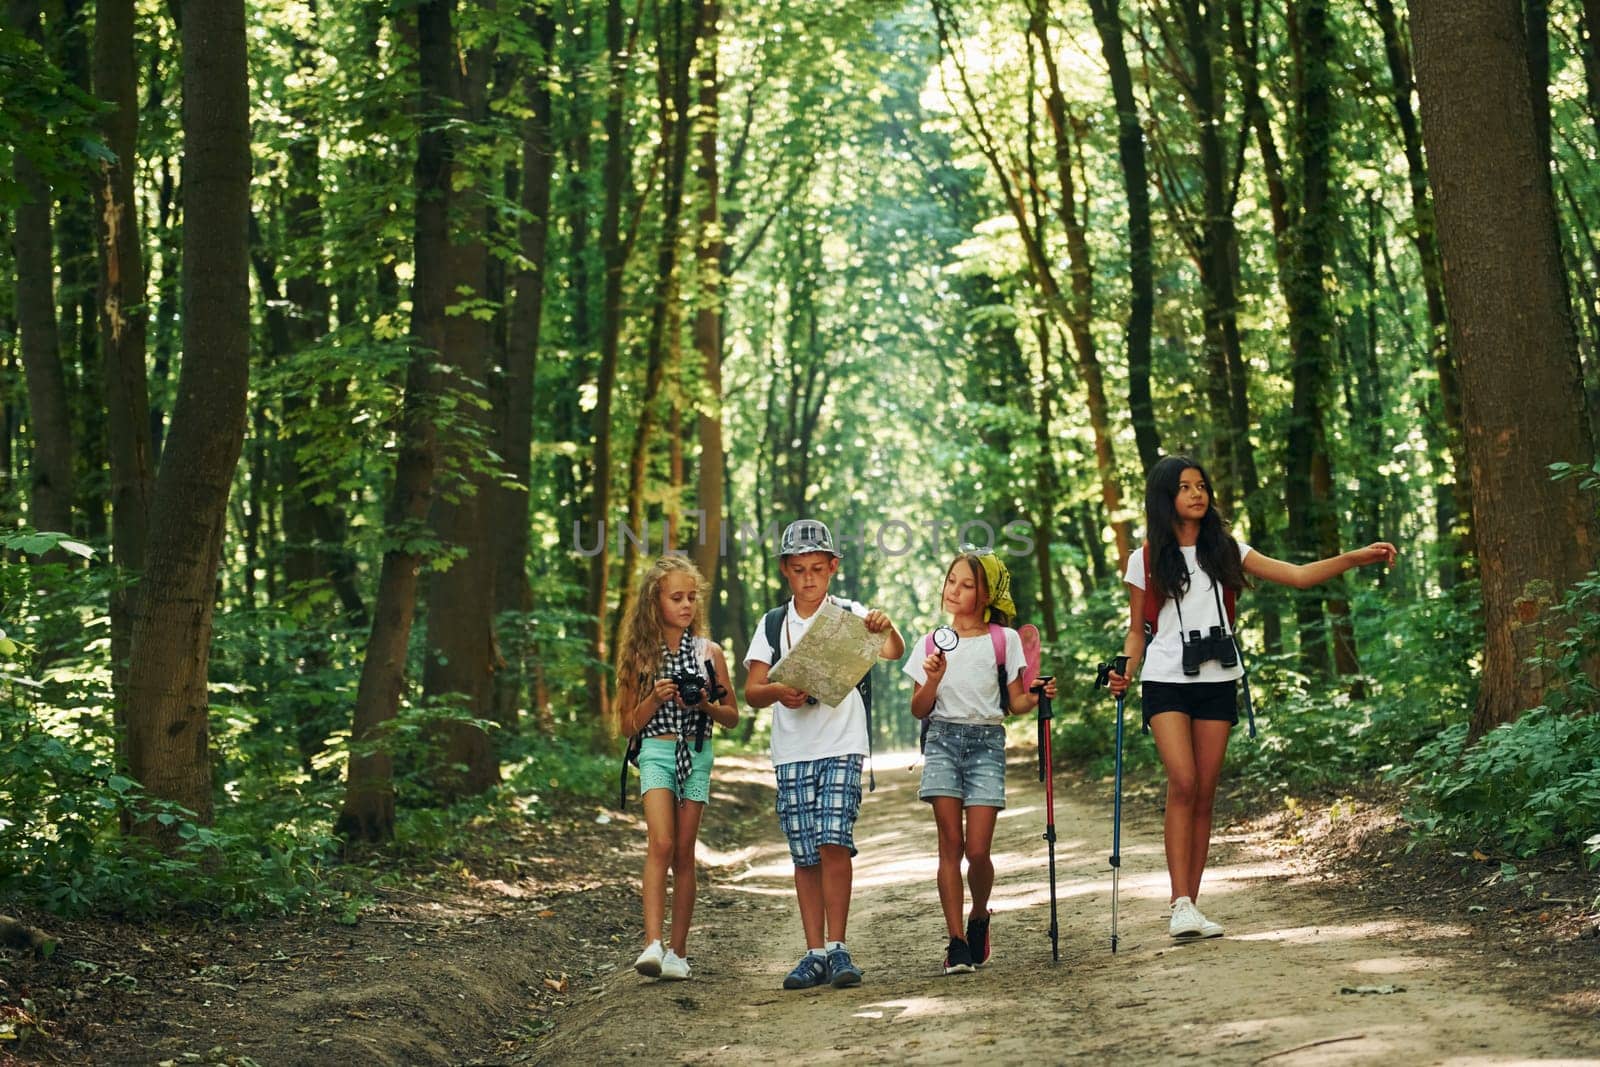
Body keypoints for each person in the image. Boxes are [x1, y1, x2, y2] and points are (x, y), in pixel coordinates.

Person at [1107, 455, 1395, 939]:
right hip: (1164, 679)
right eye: (1185, 487)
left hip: (1218, 677)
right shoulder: (1145, 558)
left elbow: (1298, 576)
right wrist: (1123, 672)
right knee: (1182, 781)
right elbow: (1138, 632)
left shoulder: (1227, 549)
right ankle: (1178, 903)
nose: (1197, 494)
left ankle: (1191, 906)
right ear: (1165, 498)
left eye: (1202, 485)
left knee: (1204, 790)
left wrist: (1355, 557)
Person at [744, 519, 904, 990]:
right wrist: (779, 691)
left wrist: (885, 626)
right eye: (798, 569)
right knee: (805, 851)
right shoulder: (773, 624)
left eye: (817, 567)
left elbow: (893, 651)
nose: (808, 577)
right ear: (785, 572)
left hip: (842, 743)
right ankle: (813, 952)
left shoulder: (849, 614)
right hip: (792, 750)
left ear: (833, 567)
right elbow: (752, 690)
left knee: (834, 838)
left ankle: (838, 947)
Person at [906, 548, 1056, 975]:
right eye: (952, 580)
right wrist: (932, 679)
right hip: (941, 741)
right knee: (950, 845)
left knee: (978, 849)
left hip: (986, 743)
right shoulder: (930, 643)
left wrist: (1039, 694)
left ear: (986, 594)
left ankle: (979, 914)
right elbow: (918, 708)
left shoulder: (1003, 640)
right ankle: (956, 942)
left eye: (967, 584)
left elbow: (1016, 702)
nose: (955, 590)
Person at [615, 556, 739, 981]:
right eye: (676, 597)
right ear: (655, 602)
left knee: (685, 852)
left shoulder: (710, 653)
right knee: (661, 844)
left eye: (692, 597)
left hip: (697, 756)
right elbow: (626, 725)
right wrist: (654, 698)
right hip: (654, 753)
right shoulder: (640, 657)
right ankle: (652, 944)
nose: (686, 605)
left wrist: (703, 702)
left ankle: (678, 953)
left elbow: (732, 716)